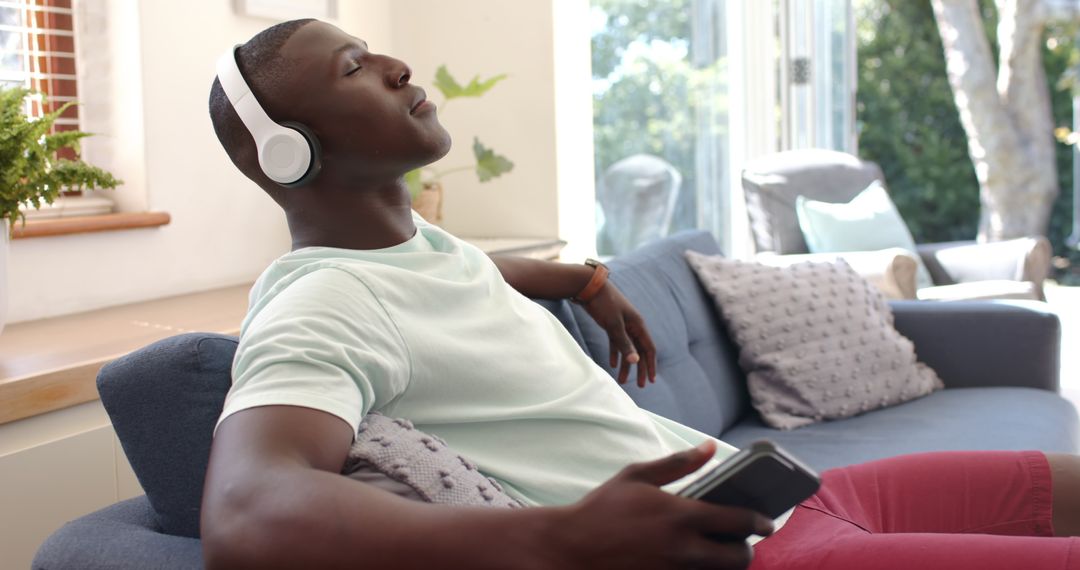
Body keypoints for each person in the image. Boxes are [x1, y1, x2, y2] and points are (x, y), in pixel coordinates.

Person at [202, 18, 1080, 570]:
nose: (394, 64)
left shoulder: (417, 251)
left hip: (794, 494)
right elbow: (246, 509)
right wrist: (552, 540)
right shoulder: (317, 305)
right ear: (291, 151)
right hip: (751, 553)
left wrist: (585, 280)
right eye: (354, 67)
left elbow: (460, 279)